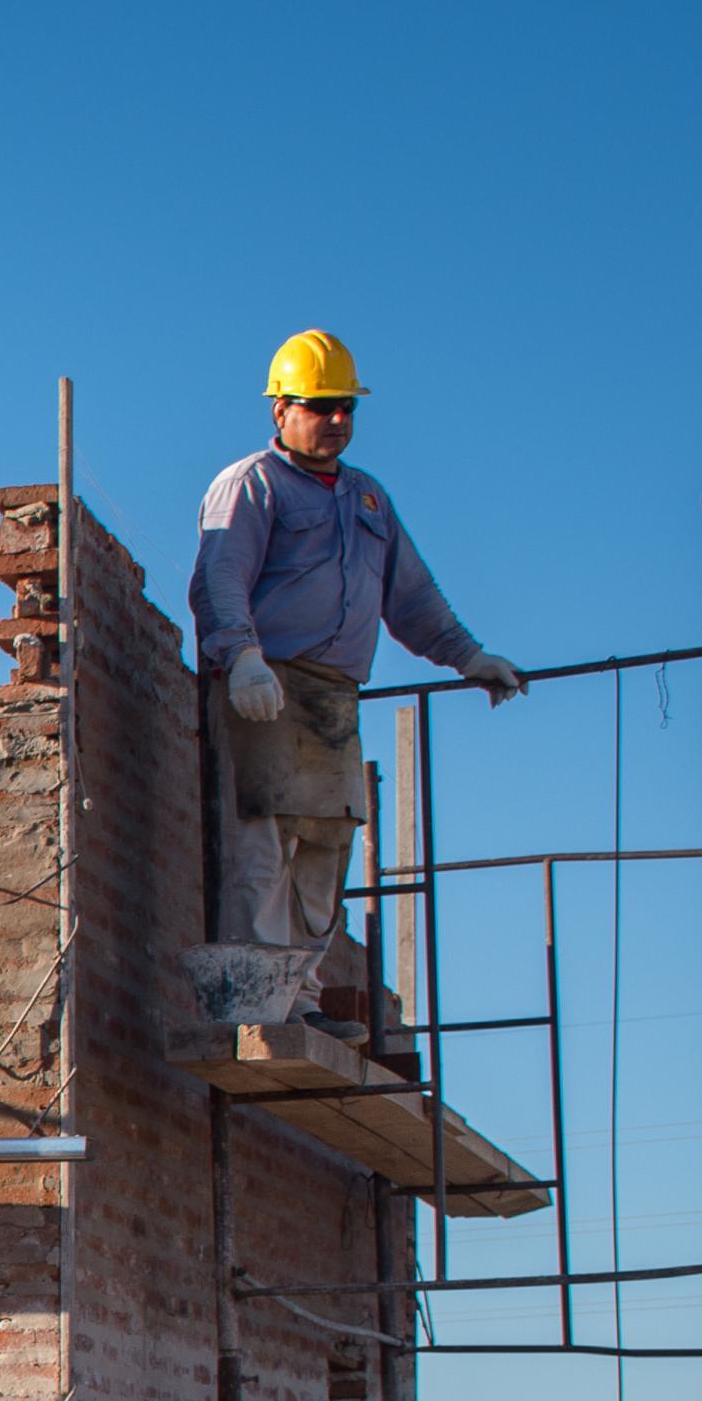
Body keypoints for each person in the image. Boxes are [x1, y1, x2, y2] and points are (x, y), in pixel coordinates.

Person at [191, 333, 529, 951]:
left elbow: (412, 596)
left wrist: (470, 658)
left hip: (335, 695)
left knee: (326, 843)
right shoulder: (252, 484)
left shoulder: (366, 496)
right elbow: (220, 579)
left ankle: (305, 1000)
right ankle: (263, 993)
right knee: (264, 840)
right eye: (322, 407)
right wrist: (242, 657)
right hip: (268, 685)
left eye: (348, 406)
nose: (339, 420)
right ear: (282, 410)